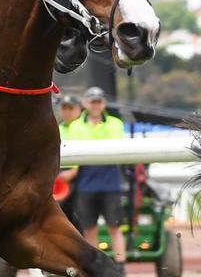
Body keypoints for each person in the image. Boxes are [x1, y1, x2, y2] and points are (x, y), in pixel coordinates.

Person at [66, 86, 127, 276]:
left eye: (98, 102)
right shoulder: (76, 126)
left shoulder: (115, 123)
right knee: (89, 228)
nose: (95, 105)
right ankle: (95, 266)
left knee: (114, 227)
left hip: (110, 181)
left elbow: (115, 148)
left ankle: (120, 266)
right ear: (85, 103)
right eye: (92, 102)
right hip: (86, 182)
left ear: (103, 104)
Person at [56, 94, 84, 228]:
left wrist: (74, 171)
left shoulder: (84, 127)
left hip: (80, 177)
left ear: (78, 109)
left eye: (70, 108)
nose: (67, 112)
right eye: (64, 108)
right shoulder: (57, 129)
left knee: (80, 218)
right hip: (60, 176)